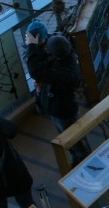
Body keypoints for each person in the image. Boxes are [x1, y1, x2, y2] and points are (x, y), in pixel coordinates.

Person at [23, 20, 90, 166]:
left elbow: (36, 71)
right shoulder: (63, 53)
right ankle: (77, 156)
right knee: (67, 134)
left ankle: (85, 160)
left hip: (62, 110)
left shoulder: (63, 73)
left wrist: (32, 47)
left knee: (74, 138)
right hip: (57, 106)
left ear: (55, 55)